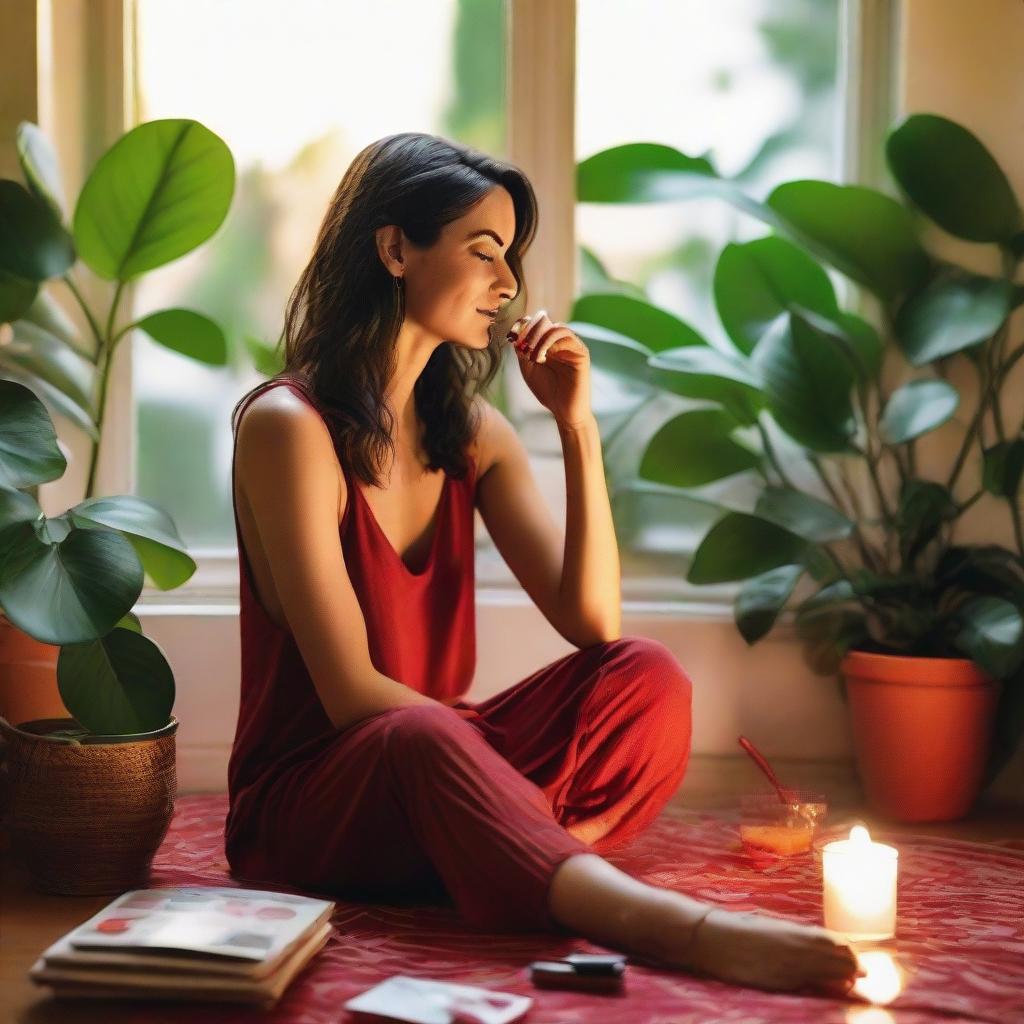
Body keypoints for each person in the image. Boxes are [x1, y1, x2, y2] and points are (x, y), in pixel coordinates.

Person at [225, 132, 862, 997]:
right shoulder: (288, 428)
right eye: (484, 251)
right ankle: (668, 922)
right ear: (394, 248)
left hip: (441, 759)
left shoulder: (473, 434)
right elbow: (348, 694)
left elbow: (593, 627)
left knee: (649, 677)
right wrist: (475, 757)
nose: (509, 284)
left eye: (512, 258)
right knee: (425, 733)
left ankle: (493, 849)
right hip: (314, 802)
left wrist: (577, 427)